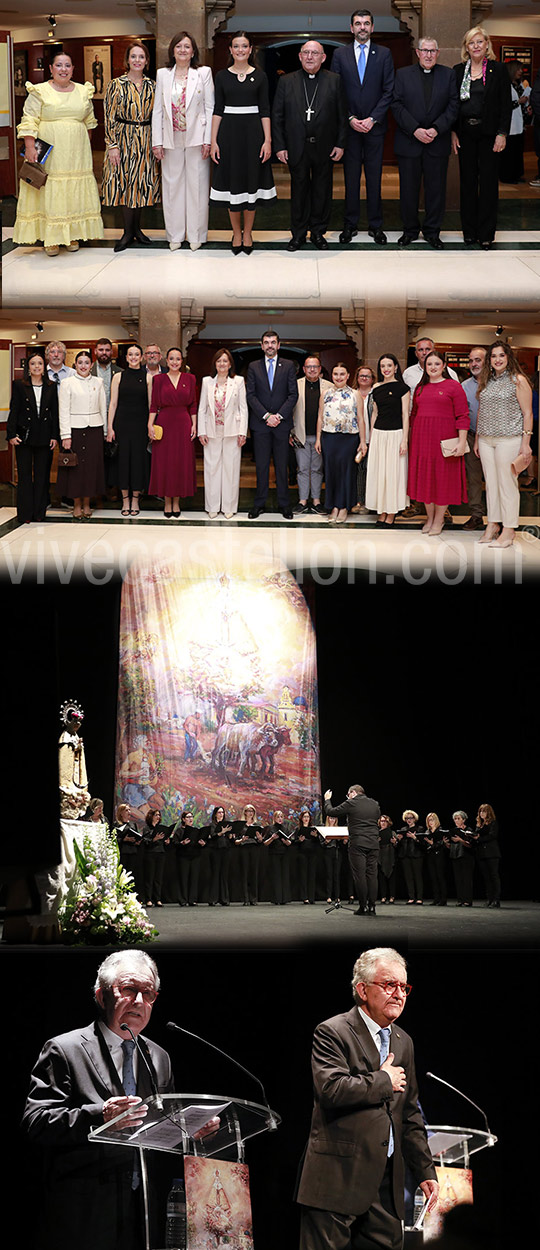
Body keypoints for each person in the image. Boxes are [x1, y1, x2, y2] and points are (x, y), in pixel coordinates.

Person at [21, 950, 175, 1250]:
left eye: (148, 993)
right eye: (129, 990)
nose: (140, 1002)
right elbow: (36, 1122)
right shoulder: (65, 1049)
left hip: (141, 1213)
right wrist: (98, 1115)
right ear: (101, 996)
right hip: (83, 1213)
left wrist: (193, 1131)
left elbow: (161, 1129)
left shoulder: (159, 1057)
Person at [296, 946, 438, 1249]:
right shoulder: (332, 1031)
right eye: (389, 985)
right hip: (336, 1178)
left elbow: (409, 1114)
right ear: (362, 989)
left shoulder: (404, 1042)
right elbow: (331, 1090)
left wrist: (425, 1170)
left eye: (404, 987)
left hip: (385, 1185)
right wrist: (383, 1080)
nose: (399, 994)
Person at [14, 51, 103, 255]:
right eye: (59, 65)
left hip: (76, 152)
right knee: (50, 187)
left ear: (73, 69)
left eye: (67, 65)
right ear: (51, 69)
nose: (64, 69)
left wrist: (84, 143)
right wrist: (29, 146)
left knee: (73, 189)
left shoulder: (83, 91)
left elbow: (89, 121)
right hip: (49, 149)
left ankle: (71, 234)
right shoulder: (39, 91)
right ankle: (51, 238)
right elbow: (29, 119)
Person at [272, 40, 348, 251]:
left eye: (315, 53)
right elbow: (277, 116)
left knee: (322, 191)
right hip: (296, 146)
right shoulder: (287, 81)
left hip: (325, 146)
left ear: (323, 58)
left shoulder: (334, 80)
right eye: (306, 52)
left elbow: (343, 115)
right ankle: (297, 234)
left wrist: (341, 144)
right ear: (299, 56)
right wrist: (280, 146)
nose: (310, 56)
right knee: (299, 191)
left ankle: (317, 232)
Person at [332, 10, 395, 246]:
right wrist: (349, 118)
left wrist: (372, 119)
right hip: (349, 130)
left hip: (374, 128)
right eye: (358, 23)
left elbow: (389, 90)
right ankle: (350, 225)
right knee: (350, 179)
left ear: (372, 27)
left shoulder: (385, 54)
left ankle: (376, 226)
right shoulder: (340, 54)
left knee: (374, 179)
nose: (362, 27)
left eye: (366, 23)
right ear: (351, 28)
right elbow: (335, 91)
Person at [210, 31, 276, 254]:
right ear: (230, 50)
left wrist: (267, 141)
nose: (240, 50)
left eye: (244, 46)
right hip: (228, 136)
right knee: (232, 184)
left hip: (253, 135)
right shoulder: (221, 76)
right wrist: (213, 141)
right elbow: (217, 110)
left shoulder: (260, 76)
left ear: (250, 50)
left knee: (251, 184)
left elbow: (265, 110)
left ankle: (248, 233)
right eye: (236, 46)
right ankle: (235, 233)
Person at [392, 37, 459, 249]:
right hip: (409, 142)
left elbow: (453, 105)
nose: (428, 55)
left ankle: (432, 232)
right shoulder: (402, 74)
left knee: (436, 190)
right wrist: (415, 130)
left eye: (432, 51)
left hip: (436, 142)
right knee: (408, 190)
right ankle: (410, 230)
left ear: (438, 53)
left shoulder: (448, 75)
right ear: (417, 52)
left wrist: (436, 129)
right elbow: (396, 104)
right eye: (424, 50)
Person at [152, 30, 214, 252]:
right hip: (171, 138)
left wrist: (208, 140)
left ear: (193, 51)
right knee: (172, 187)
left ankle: (196, 235)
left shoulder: (203, 73)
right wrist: (156, 142)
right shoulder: (163, 75)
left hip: (197, 138)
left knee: (197, 187)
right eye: (178, 46)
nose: (183, 50)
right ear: (172, 50)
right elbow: (158, 110)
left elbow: (209, 107)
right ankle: (175, 235)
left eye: (187, 46)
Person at [452, 26, 511, 249]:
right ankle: (469, 232)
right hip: (465, 134)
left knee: (488, 185)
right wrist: (452, 132)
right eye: (471, 42)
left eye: (479, 41)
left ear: (487, 44)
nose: (476, 46)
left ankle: (486, 234)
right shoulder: (458, 71)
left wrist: (502, 134)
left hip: (489, 136)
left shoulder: (498, 70)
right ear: (466, 47)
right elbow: (453, 105)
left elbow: (506, 106)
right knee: (467, 184)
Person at [102, 40, 160, 253]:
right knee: (126, 185)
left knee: (141, 185)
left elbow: (158, 116)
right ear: (127, 60)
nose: (137, 60)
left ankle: (137, 229)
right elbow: (109, 117)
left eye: (141, 57)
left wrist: (157, 143)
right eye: (133, 56)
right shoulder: (116, 85)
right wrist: (112, 145)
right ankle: (127, 232)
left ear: (146, 61)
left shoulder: (153, 86)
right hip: (123, 139)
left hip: (145, 138)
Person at [475, 339, 533, 548]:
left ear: (508, 358)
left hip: (509, 438)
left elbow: (528, 413)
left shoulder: (518, 380)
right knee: (491, 485)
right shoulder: (487, 381)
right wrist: (478, 437)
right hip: (486, 439)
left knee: (507, 484)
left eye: (501, 355)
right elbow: (482, 410)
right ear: (489, 360)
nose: (497, 359)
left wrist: (526, 444)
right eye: (493, 356)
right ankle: (492, 524)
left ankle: (509, 530)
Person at [407, 350, 470, 536]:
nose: (433, 367)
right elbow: (413, 415)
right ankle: (430, 517)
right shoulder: (420, 387)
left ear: (444, 365)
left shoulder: (453, 386)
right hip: (422, 440)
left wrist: (462, 440)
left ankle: (439, 519)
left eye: (436, 363)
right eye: (429, 364)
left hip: (446, 440)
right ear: (424, 367)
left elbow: (463, 415)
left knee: (443, 479)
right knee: (426, 478)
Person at [246, 330, 298, 519]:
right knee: (261, 466)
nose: (269, 345)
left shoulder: (289, 366)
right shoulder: (253, 366)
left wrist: (279, 416)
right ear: (261, 346)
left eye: (273, 342)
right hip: (260, 425)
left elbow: (293, 394)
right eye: (266, 342)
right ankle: (259, 504)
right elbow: (250, 395)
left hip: (282, 425)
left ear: (278, 345)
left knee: (282, 466)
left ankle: (284, 504)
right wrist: (267, 415)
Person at [7, 351, 59, 523]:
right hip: (24, 437)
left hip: (44, 437)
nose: (37, 366)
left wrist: (54, 436)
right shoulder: (19, 385)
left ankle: (39, 513)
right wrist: (11, 434)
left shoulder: (51, 386)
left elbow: (55, 413)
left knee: (42, 476)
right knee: (24, 476)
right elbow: (14, 410)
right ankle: (25, 514)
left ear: (44, 367)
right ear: (28, 368)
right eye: (33, 364)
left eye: (40, 364)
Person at [197, 347, 248, 518]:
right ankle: (212, 507)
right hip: (211, 431)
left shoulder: (238, 381)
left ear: (230, 364)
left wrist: (243, 432)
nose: (222, 364)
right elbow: (202, 408)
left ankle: (229, 507)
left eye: (225, 361)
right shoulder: (207, 382)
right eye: (219, 361)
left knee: (231, 469)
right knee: (211, 469)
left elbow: (243, 408)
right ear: (215, 363)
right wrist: (201, 431)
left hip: (232, 431)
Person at [148, 347, 197, 519]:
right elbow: (154, 404)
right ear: (166, 361)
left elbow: (193, 405)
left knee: (180, 463)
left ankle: (177, 502)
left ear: (181, 361)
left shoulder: (190, 379)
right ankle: (167, 501)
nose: (175, 362)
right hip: (164, 423)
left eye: (178, 359)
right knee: (165, 463)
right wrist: (150, 424)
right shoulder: (159, 379)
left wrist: (194, 425)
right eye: (171, 359)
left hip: (183, 423)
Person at [57, 350, 107, 520]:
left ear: (91, 365)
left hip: (95, 429)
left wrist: (106, 431)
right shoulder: (67, 383)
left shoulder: (98, 382)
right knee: (76, 469)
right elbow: (63, 411)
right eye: (80, 363)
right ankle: (77, 504)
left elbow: (103, 408)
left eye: (87, 363)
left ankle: (87, 503)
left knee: (92, 468)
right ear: (75, 365)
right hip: (75, 430)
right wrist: (65, 435)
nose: (84, 366)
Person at [315, 362, 365, 523]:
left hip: (349, 438)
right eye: (336, 374)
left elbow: (361, 419)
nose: (338, 377)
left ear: (348, 376)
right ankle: (333, 506)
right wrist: (318, 439)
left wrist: (363, 442)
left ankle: (343, 507)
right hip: (329, 438)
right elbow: (320, 417)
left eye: (342, 374)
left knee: (346, 472)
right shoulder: (325, 393)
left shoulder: (355, 394)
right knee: (331, 472)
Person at [365, 353, 409, 524]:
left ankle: (391, 512)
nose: (386, 369)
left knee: (393, 474)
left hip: (396, 434)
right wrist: (371, 436)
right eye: (383, 366)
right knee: (379, 473)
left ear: (396, 367)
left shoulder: (403, 388)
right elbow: (374, 413)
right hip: (379, 434)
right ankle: (381, 510)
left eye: (389, 365)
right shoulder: (376, 388)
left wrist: (404, 440)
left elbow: (405, 414)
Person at [107, 342, 150, 517]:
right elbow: (113, 403)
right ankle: (125, 499)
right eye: (130, 355)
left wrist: (150, 426)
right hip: (121, 425)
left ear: (142, 357)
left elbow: (151, 405)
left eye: (136, 355)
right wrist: (109, 427)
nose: (133, 357)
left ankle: (135, 499)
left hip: (140, 425)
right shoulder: (118, 377)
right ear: (126, 358)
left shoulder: (148, 378)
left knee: (138, 462)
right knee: (123, 462)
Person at [324, 783, 380, 915]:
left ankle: (363, 907)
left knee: (360, 876)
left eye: (348, 795)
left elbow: (331, 812)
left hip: (358, 844)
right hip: (373, 843)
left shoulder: (352, 802)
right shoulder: (375, 804)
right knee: (372, 876)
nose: (348, 797)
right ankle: (372, 907)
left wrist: (327, 799)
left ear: (353, 793)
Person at [291, 355, 332, 515]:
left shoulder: (329, 387)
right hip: (299, 435)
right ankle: (302, 501)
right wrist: (290, 433)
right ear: (304, 369)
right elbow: (289, 410)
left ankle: (316, 501)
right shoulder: (295, 385)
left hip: (320, 437)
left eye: (315, 366)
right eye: (309, 367)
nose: (312, 369)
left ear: (320, 369)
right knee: (302, 469)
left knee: (317, 469)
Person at [461, 345, 487, 531]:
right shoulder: (465, 386)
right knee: (474, 478)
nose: (473, 364)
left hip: (495, 438)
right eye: (471, 360)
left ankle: (499, 519)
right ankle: (477, 515)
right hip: (471, 436)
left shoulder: (497, 384)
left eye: (478, 360)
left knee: (497, 479)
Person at [351, 363, 375, 514]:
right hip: (355, 438)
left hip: (374, 438)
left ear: (373, 379)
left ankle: (370, 502)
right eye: (361, 376)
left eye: (368, 376)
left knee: (371, 470)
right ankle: (359, 501)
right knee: (359, 470)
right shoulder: (352, 394)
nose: (364, 378)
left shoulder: (376, 394)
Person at [499, 60, 526, 185]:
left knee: (517, 152)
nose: (521, 72)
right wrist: (518, 102)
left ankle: (516, 174)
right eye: (518, 69)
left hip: (519, 124)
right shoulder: (505, 85)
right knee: (509, 153)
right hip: (510, 126)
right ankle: (508, 176)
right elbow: (503, 105)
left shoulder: (519, 85)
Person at [232, 804, 264, 906]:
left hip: (254, 848)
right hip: (244, 848)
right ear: (245, 812)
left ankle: (253, 899)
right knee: (244, 873)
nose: (250, 813)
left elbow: (260, 841)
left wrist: (259, 838)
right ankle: (245, 898)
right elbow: (235, 841)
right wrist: (242, 839)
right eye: (248, 811)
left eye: (252, 811)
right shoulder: (241, 825)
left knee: (253, 873)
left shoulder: (257, 824)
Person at [174, 810, 206, 906]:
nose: (190, 819)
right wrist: (182, 843)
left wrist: (202, 844)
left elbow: (199, 842)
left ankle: (192, 899)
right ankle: (183, 899)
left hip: (195, 856)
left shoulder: (196, 830)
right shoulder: (179, 830)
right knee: (183, 878)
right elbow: (175, 843)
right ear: (183, 819)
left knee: (194, 878)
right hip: (183, 856)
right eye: (188, 817)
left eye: (191, 817)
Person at [112, 802, 144, 898]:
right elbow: (113, 839)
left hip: (133, 852)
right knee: (122, 875)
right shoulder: (116, 824)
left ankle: (131, 896)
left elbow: (136, 836)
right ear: (121, 813)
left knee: (132, 875)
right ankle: (121, 895)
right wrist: (123, 839)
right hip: (123, 852)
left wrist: (137, 842)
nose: (129, 812)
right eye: (126, 810)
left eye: (129, 810)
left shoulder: (133, 824)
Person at [263, 808, 293, 904]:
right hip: (274, 854)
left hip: (284, 854)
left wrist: (286, 841)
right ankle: (277, 899)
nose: (280, 819)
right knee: (276, 876)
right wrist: (272, 838)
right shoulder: (270, 828)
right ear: (274, 818)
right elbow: (265, 843)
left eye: (281, 817)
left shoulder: (285, 828)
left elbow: (290, 843)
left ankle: (285, 899)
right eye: (278, 817)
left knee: (284, 876)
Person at [445, 811, 476, 907]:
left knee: (466, 879)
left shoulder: (468, 830)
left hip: (466, 856)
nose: (456, 821)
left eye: (458, 818)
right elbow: (451, 846)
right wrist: (446, 843)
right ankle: (460, 899)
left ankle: (467, 900)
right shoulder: (453, 831)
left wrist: (460, 840)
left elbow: (470, 844)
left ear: (464, 819)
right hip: (455, 856)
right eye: (455, 819)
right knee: (458, 879)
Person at [395, 810, 426, 904]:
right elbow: (400, 845)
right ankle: (411, 897)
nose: (409, 820)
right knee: (408, 877)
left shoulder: (420, 829)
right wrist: (398, 840)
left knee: (417, 876)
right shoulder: (403, 829)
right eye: (407, 818)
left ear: (414, 819)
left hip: (416, 855)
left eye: (410, 818)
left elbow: (423, 843)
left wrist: (414, 838)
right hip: (405, 855)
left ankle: (419, 897)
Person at [475, 802, 501, 908]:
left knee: (494, 876)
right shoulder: (479, 824)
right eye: (480, 811)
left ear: (488, 812)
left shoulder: (493, 823)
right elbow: (477, 835)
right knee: (486, 878)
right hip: (482, 854)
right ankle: (489, 899)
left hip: (492, 853)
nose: (482, 813)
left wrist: (479, 839)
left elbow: (492, 836)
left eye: (484, 811)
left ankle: (496, 899)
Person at [206, 805, 233, 906]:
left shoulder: (226, 825)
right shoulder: (212, 825)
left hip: (226, 851)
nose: (221, 814)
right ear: (215, 814)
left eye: (222, 812)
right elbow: (213, 836)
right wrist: (222, 832)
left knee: (224, 875)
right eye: (219, 812)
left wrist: (230, 835)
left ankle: (224, 899)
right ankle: (213, 899)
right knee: (215, 874)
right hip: (215, 851)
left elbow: (230, 839)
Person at [143, 807, 171, 907]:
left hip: (161, 853)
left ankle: (157, 899)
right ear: (151, 816)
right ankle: (148, 899)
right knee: (150, 877)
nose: (158, 817)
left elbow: (163, 841)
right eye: (156, 815)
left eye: (159, 815)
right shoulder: (147, 828)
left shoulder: (161, 828)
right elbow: (145, 842)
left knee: (158, 878)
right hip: (150, 853)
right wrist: (154, 839)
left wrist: (167, 841)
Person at [294, 809, 320, 904]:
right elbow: (294, 842)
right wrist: (299, 840)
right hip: (302, 854)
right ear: (301, 818)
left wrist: (315, 836)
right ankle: (305, 897)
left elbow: (318, 843)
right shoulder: (298, 829)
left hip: (312, 854)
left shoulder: (313, 829)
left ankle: (311, 897)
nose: (306, 819)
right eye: (304, 817)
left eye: (308, 817)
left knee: (312, 876)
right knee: (303, 876)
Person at [91, 339, 123, 411]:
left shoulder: (120, 372)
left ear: (111, 352)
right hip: (94, 414)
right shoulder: (88, 371)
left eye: (107, 350)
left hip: (114, 414)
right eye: (101, 350)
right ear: (95, 351)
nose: (104, 353)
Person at [424, 812, 448, 906]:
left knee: (440, 877)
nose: (431, 822)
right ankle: (436, 898)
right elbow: (425, 845)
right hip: (430, 856)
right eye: (429, 820)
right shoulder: (427, 832)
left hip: (439, 855)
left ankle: (443, 899)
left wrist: (432, 844)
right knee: (433, 878)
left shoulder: (440, 831)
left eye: (432, 819)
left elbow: (443, 843)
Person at [377, 815, 397, 904]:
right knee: (381, 876)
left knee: (391, 875)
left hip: (389, 854)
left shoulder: (392, 832)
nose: (383, 823)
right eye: (382, 821)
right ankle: (383, 896)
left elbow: (397, 844)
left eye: (385, 821)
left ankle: (392, 896)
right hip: (380, 855)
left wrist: (395, 842)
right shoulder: (376, 833)